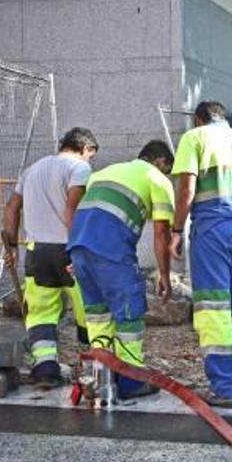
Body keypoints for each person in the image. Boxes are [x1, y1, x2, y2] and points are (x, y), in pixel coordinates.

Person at [169, 101, 232, 408]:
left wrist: (176, 230)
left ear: (198, 120)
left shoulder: (194, 138)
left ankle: (224, 388)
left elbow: (186, 190)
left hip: (212, 228)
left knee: (213, 308)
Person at [67, 140, 175, 400]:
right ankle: (131, 381)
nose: (168, 175)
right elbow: (161, 232)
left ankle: (99, 378)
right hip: (111, 248)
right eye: (167, 169)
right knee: (129, 310)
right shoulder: (157, 179)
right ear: (160, 162)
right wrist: (164, 274)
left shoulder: (105, 172)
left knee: (98, 314)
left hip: (79, 245)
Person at [2, 127, 98, 387]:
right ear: (85, 149)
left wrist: (10, 247)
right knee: (88, 311)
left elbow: (12, 208)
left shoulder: (32, 170)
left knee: (41, 313)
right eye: (91, 155)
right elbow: (73, 210)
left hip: (37, 252)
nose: (90, 161)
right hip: (68, 249)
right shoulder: (79, 169)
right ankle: (91, 370)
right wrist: (80, 250)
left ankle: (45, 369)